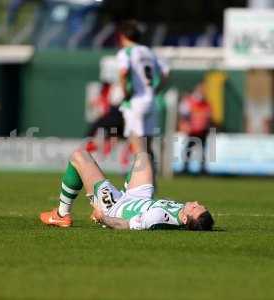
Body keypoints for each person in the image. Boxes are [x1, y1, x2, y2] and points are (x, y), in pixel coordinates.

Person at [39, 142, 214, 231]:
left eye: (195, 207)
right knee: (144, 157)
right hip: (138, 199)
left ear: (185, 220)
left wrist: (103, 218)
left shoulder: (157, 217)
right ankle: (125, 187)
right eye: (199, 205)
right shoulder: (180, 215)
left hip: (115, 206)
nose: (196, 202)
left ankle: (62, 214)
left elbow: (127, 225)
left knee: (79, 156)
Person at [116, 20, 170, 185]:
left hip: (135, 102)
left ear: (123, 36)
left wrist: (125, 92)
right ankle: (152, 185)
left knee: (138, 148)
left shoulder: (126, 52)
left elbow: (124, 72)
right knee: (148, 148)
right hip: (151, 101)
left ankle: (140, 189)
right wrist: (155, 90)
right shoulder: (148, 51)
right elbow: (166, 72)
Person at [179, 83, 212, 174]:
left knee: (202, 151)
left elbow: (208, 116)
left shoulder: (206, 103)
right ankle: (185, 168)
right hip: (193, 130)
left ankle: (202, 169)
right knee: (189, 150)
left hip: (202, 130)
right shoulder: (190, 101)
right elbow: (184, 114)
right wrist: (185, 125)